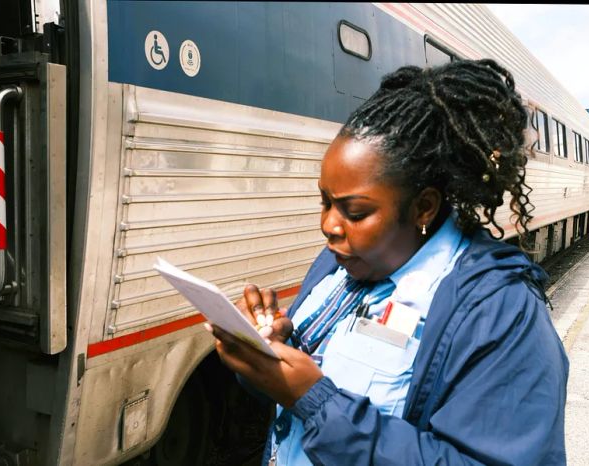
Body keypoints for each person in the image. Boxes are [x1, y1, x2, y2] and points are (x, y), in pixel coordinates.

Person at [206, 58, 568, 466]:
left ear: (423, 207)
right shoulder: (334, 267)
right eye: (325, 201)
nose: (328, 226)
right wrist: (267, 354)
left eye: (355, 212)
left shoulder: (501, 314)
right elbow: (299, 394)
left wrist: (316, 402)